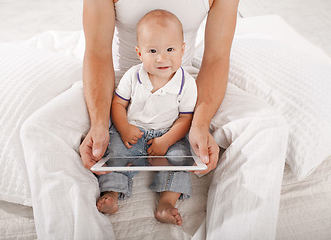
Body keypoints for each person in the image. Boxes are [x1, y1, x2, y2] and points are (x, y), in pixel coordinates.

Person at [20, 0, 289, 239]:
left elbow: (216, 57)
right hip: (122, 83)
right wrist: (100, 123)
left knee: (268, 127)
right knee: (39, 130)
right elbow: (98, 52)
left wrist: (200, 123)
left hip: (187, 81)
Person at [96, 10, 197, 226]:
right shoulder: (133, 75)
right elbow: (118, 104)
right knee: (115, 151)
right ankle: (113, 193)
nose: (162, 58)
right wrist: (123, 127)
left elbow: (185, 119)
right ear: (139, 53)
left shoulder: (186, 83)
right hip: (133, 131)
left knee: (181, 157)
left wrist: (167, 141)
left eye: (170, 49)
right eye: (152, 50)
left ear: (182, 50)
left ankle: (166, 202)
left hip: (168, 134)